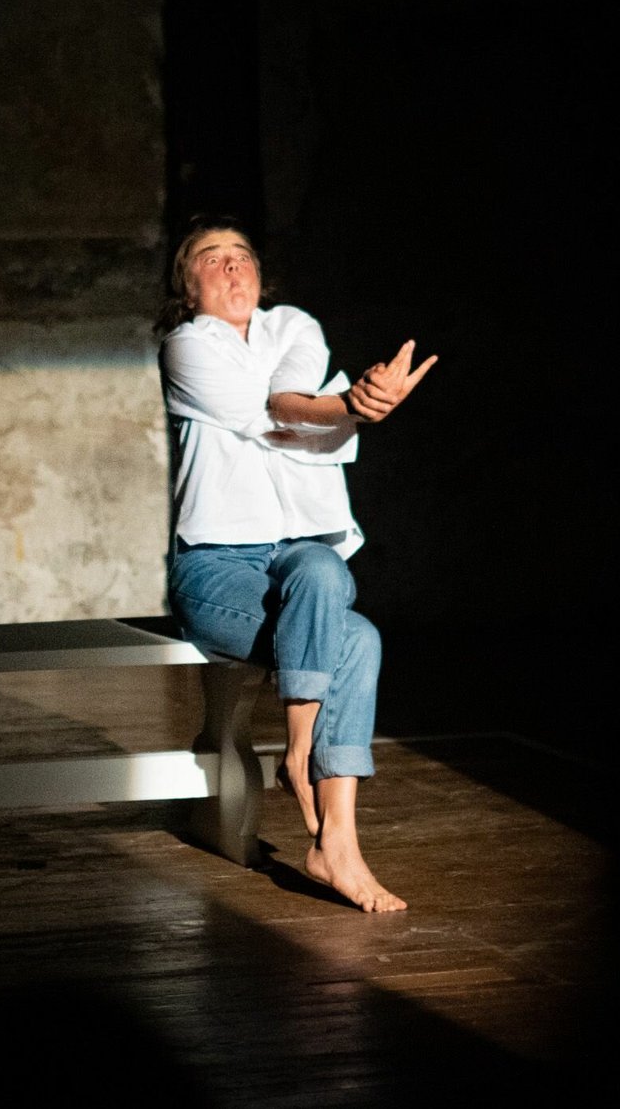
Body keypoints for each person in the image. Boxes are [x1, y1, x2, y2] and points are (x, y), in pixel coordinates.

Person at [156, 219, 436, 913]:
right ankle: (308, 769)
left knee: (325, 574)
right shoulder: (187, 346)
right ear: (186, 287)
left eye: (241, 256)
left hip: (298, 557)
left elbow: (288, 394)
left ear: (261, 273)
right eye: (211, 259)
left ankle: (332, 833)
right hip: (217, 568)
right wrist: (350, 405)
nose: (231, 268)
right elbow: (276, 414)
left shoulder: (295, 326)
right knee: (356, 636)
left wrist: (346, 407)